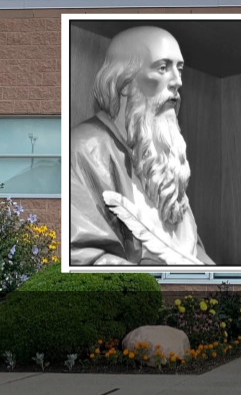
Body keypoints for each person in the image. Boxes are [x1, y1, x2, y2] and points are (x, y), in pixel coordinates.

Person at [68, 25, 214, 266]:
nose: (177, 81)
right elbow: (83, 257)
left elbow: (191, 250)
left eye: (179, 69)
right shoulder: (83, 149)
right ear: (124, 82)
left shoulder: (166, 157)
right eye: (162, 68)